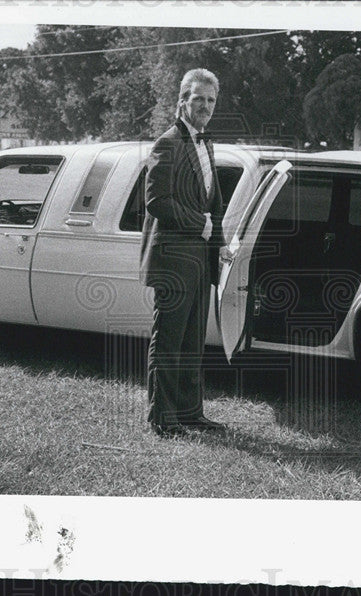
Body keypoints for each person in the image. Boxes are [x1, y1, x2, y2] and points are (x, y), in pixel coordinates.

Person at [139, 68, 226, 437]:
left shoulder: (205, 143)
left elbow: (213, 201)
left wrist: (219, 243)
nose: (204, 106)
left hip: (199, 260)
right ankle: (163, 417)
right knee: (170, 341)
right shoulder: (167, 143)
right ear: (182, 102)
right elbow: (157, 201)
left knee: (192, 343)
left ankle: (191, 413)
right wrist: (201, 225)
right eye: (198, 99)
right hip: (173, 259)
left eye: (210, 100)